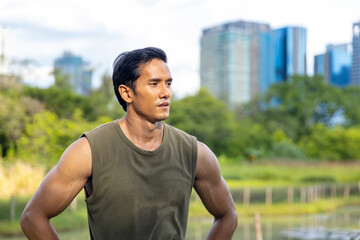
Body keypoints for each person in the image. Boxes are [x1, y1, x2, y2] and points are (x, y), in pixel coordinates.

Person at [20, 47, 237, 240]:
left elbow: (227, 216)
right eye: (154, 84)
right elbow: (33, 217)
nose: (166, 93)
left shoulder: (195, 152)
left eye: (168, 83)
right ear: (126, 92)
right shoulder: (89, 151)